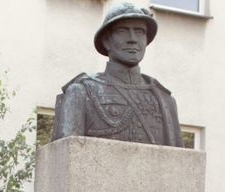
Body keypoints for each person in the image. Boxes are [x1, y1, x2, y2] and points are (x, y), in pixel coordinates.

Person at [52, 2, 183, 146]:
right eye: (122, 31)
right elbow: (67, 157)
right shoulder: (82, 92)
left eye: (139, 32)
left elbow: (181, 163)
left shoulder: (164, 100)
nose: (132, 39)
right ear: (107, 41)